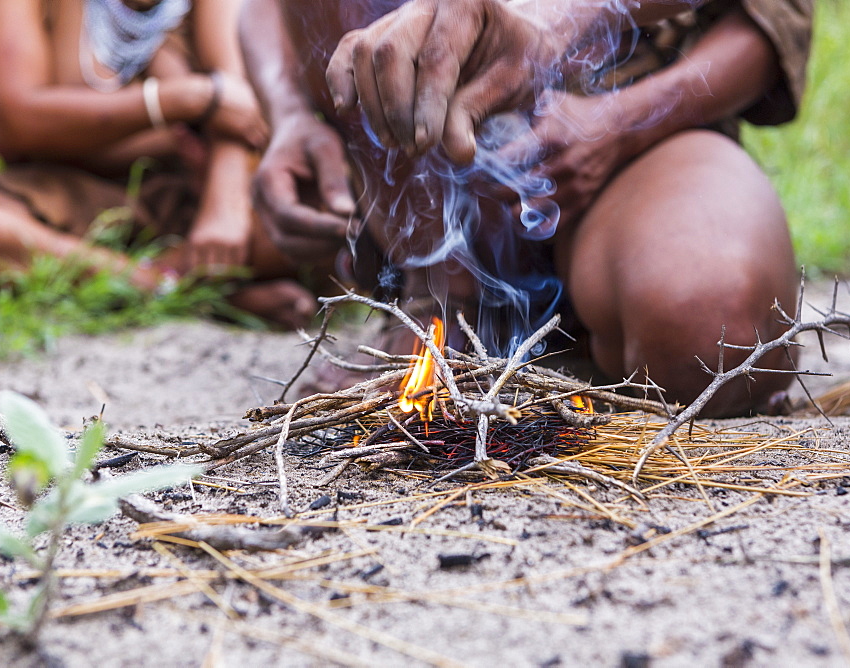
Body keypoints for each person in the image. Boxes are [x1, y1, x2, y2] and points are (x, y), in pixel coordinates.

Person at [241, 0, 812, 417]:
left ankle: (581, 311)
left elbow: (766, 20)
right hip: (416, 179)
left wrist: (615, 118)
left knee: (713, 339)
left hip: (633, 118)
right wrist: (290, 117)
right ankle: (440, 305)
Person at [0, 0, 331, 329]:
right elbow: (17, 119)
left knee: (329, 210)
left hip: (191, 199)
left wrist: (225, 205)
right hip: (56, 190)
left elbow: (241, 101)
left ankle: (170, 279)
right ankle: (175, 287)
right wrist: (185, 98)